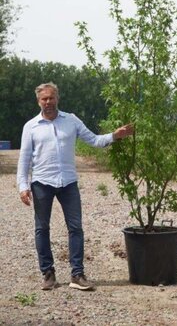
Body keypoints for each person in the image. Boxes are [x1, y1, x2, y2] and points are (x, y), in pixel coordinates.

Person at [17, 82, 133, 291]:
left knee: (76, 228)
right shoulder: (31, 126)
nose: (48, 102)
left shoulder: (71, 121)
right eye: (44, 99)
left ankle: (77, 274)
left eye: (51, 98)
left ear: (57, 98)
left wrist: (115, 136)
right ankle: (48, 273)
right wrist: (23, 186)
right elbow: (24, 160)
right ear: (38, 101)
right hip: (42, 183)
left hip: (68, 182)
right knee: (42, 228)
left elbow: (95, 140)